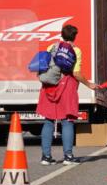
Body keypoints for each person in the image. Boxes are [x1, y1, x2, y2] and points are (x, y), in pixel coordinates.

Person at [36, 24, 100, 165]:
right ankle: (68, 156)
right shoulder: (75, 50)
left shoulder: (51, 47)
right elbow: (76, 73)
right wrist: (89, 84)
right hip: (67, 86)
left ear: (62, 34)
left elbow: (44, 66)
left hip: (50, 86)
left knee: (48, 121)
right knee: (67, 121)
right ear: (74, 36)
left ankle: (46, 157)